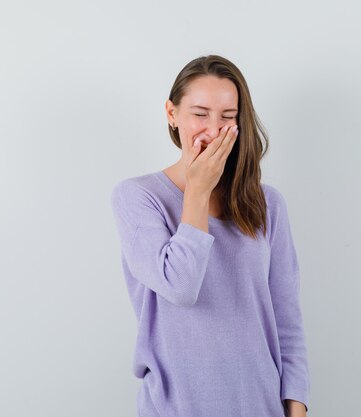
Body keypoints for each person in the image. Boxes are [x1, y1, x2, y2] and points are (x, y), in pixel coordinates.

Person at [110, 54, 310, 417]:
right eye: (200, 114)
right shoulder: (138, 197)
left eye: (228, 117)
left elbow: (286, 319)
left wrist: (296, 409)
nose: (214, 130)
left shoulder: (268, 204)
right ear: (172, 114)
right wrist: (198, 192)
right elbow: (181, 287)